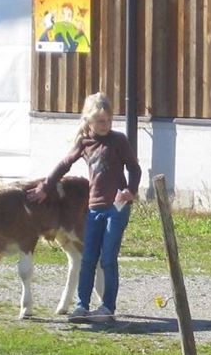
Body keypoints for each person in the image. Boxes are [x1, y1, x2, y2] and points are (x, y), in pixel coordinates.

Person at [27, 92, 141, 323]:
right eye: (100, 121)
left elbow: (134, 168)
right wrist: (45, 188)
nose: (105, 125)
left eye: (108, 121)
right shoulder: (84, 142)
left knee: (108, 258)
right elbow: (64, 165)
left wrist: (131, 189)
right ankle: (82, 306)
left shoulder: (118, 141)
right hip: (95, 208)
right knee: (88, 257)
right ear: (89, 121)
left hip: (117, 208)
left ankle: (107, 307)